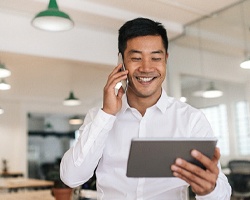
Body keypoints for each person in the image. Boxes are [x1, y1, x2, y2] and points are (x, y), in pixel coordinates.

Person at [60, 17, 231, 199]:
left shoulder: (191, 119)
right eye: (136, 58)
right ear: (121, 60)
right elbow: (71, 177)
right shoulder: (99, 117)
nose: (146, 67)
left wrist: (209, 190)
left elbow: (222, 192)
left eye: (156, 58)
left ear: (166, 59)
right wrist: (107, 114)